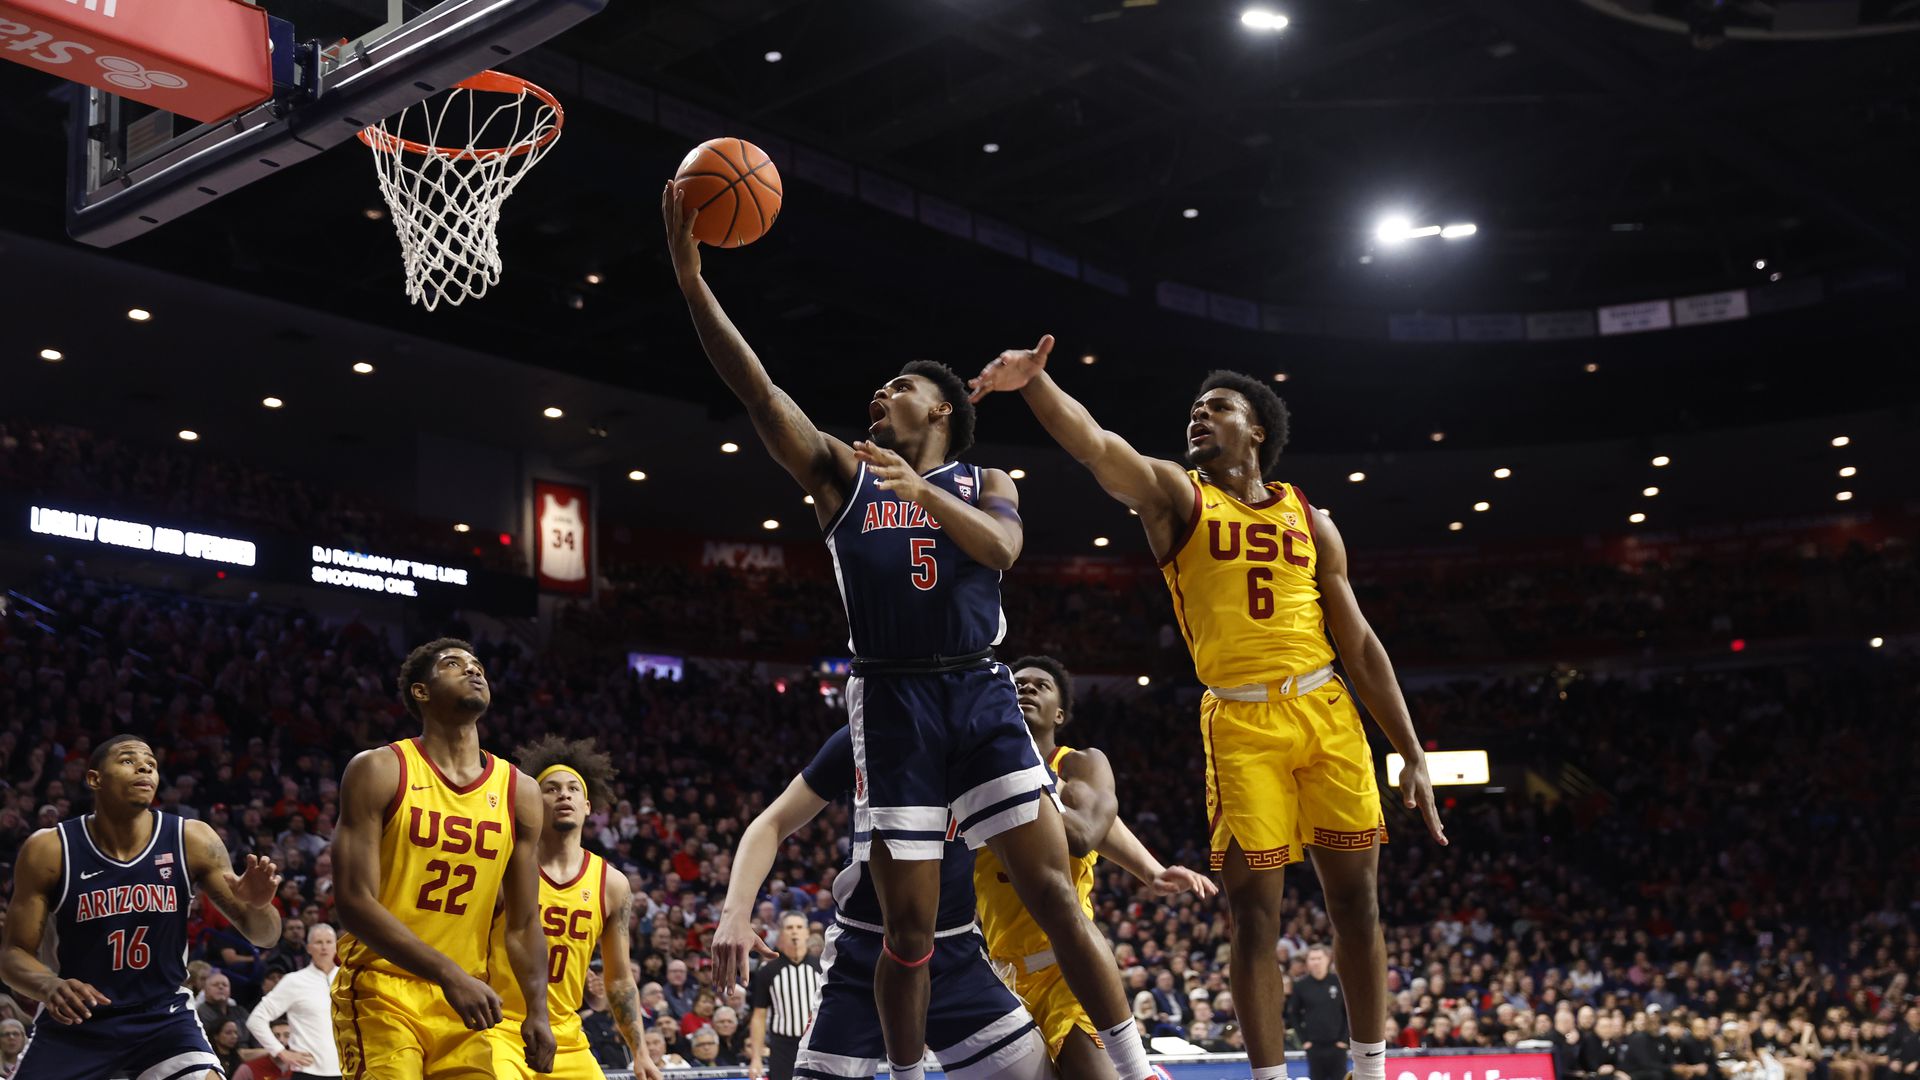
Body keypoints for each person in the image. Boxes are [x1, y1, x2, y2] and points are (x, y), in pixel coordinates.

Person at [665, 185, 1151, 1080]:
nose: (882, 393)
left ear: (942, 412)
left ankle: (1134, 1064)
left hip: (977, 685)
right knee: (910, 929)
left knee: (1051, 890)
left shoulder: (987, 479)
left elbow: (1002, 550)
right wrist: (695, 285)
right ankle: (903, 1075)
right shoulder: (840, 474)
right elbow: (759, 390)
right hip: (890, 701)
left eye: (903, 385)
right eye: (883, 385)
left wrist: (920, 492)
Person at [969, 339, 1449, 1080]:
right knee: (1254, 917)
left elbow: (1358, 642)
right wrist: (1037, 385)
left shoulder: (1312, 519)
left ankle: (1371, 1067)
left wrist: (1410, 747)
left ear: (1257, 430)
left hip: (1326, 706)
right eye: (1194, 408)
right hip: (1241, 719)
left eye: (1218, 406)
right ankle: (1268, 1077)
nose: (1199, 414)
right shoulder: (1177, 496)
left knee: (1357, 905)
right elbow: (1098, 448)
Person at [713, 725, 1055, 1080]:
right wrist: (734, 915)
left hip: (953, 952)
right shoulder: (864, 734)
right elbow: (773, 821)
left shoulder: (988, 737)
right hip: (864, 951)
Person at [975, 656, 1216, 1080]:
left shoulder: (1078, 764)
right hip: (1001, 978)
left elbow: (1088, 831)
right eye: (1018, 683)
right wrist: (1151, 869)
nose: (1027, 688)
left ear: (1061, 714)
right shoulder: (973, 773)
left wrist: (1150, 870)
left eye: (1041, 686)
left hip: (1068, 971)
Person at [328, 639, 556, 1078]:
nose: (474, 672)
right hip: (382, 987)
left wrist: (538, 1010)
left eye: (479, 667)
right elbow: (354, 902)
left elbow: (525, 923)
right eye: (454, 665)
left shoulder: (519, 790)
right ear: (421, 691)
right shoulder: (380, 768)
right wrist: (448, 974)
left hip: (465, 1000)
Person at [0, 734, 284, 1080]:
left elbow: (266, 936)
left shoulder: (191, 839)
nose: (145, 766)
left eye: (150, 762)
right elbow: (13, 955)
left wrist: (258, 906)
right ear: (94, 779)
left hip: (162, 1017)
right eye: (127, 760)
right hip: (77, 1022)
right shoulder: (50, 849)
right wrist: (48, 985)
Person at [480, 735, 657, 1080]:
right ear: (532, 802)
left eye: (574, 789)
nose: (564, 794)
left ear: (588, 806)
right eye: (551, 788)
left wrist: (641, 1053)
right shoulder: (503, 869)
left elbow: (619, 979)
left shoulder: (613, 884)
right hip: (500, 1031)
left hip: (568, 1037)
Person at [247, 922, 343, 1079]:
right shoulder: (294, 981)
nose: (324, 947)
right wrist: (281, 1052)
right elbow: (256, 1019)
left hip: (346, 1071)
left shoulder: (348, 978)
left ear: (336, 946)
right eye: (318, 942)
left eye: (329, 942)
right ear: (309, 947)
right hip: (308, 1071)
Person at [746, 913, 822, 1079]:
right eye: (789, 928)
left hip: (816, 1045)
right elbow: (759, 1016)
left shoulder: (821, 968)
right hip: (782, 1047)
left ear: (807, 933)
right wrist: (756, 1058)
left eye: (799, 927)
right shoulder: (768, 971)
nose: (794, 932)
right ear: (781, 933)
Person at [1288, 945, 1350, 1080]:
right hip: (1314, 1045)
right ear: (1307, 962)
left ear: (1328, 959)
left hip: (1337, 1045)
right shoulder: (1301, 985)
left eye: (1319, 958)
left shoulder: (1339, 982)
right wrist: (1304, 1040)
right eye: (1312, 959)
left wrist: (1344, 1039)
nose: (1316, 962)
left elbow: (1349, 1013)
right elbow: (1294, 1014)